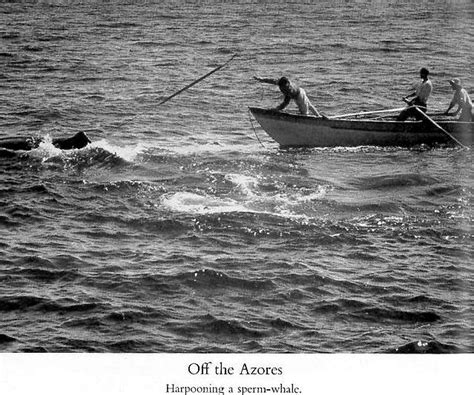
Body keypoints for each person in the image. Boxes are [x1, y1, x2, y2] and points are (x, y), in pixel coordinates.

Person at [253, 76, 322, 117]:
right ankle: (319, 116)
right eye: (282, 87)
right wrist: (261, 79)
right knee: (309, 105)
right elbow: (271, 80)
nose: (284, 89)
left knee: (304, 113)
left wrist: (277, 109)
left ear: (288, 84)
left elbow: (286, 102)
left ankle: (317, 119)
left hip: (299, 96)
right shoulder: (280, 82)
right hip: (300, 91)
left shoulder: (290, 90)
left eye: (286, 87)